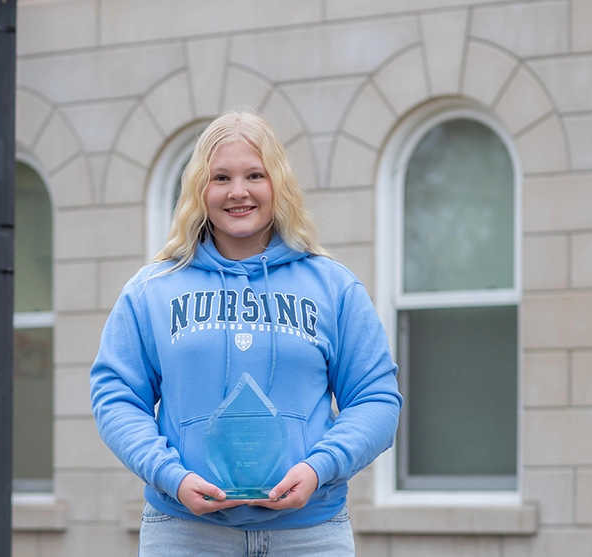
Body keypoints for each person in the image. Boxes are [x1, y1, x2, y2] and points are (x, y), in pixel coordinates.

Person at [89, 107, 402, 556]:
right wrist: (171, 477)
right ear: (200, 188)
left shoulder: (333, 287)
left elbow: (377, 399)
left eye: (255, 175)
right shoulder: (151, 291)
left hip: (310, 534)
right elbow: (116, 396)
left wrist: (319, 468)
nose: (238, 192)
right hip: (185, 534)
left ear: (278, 184)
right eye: (221, 178)